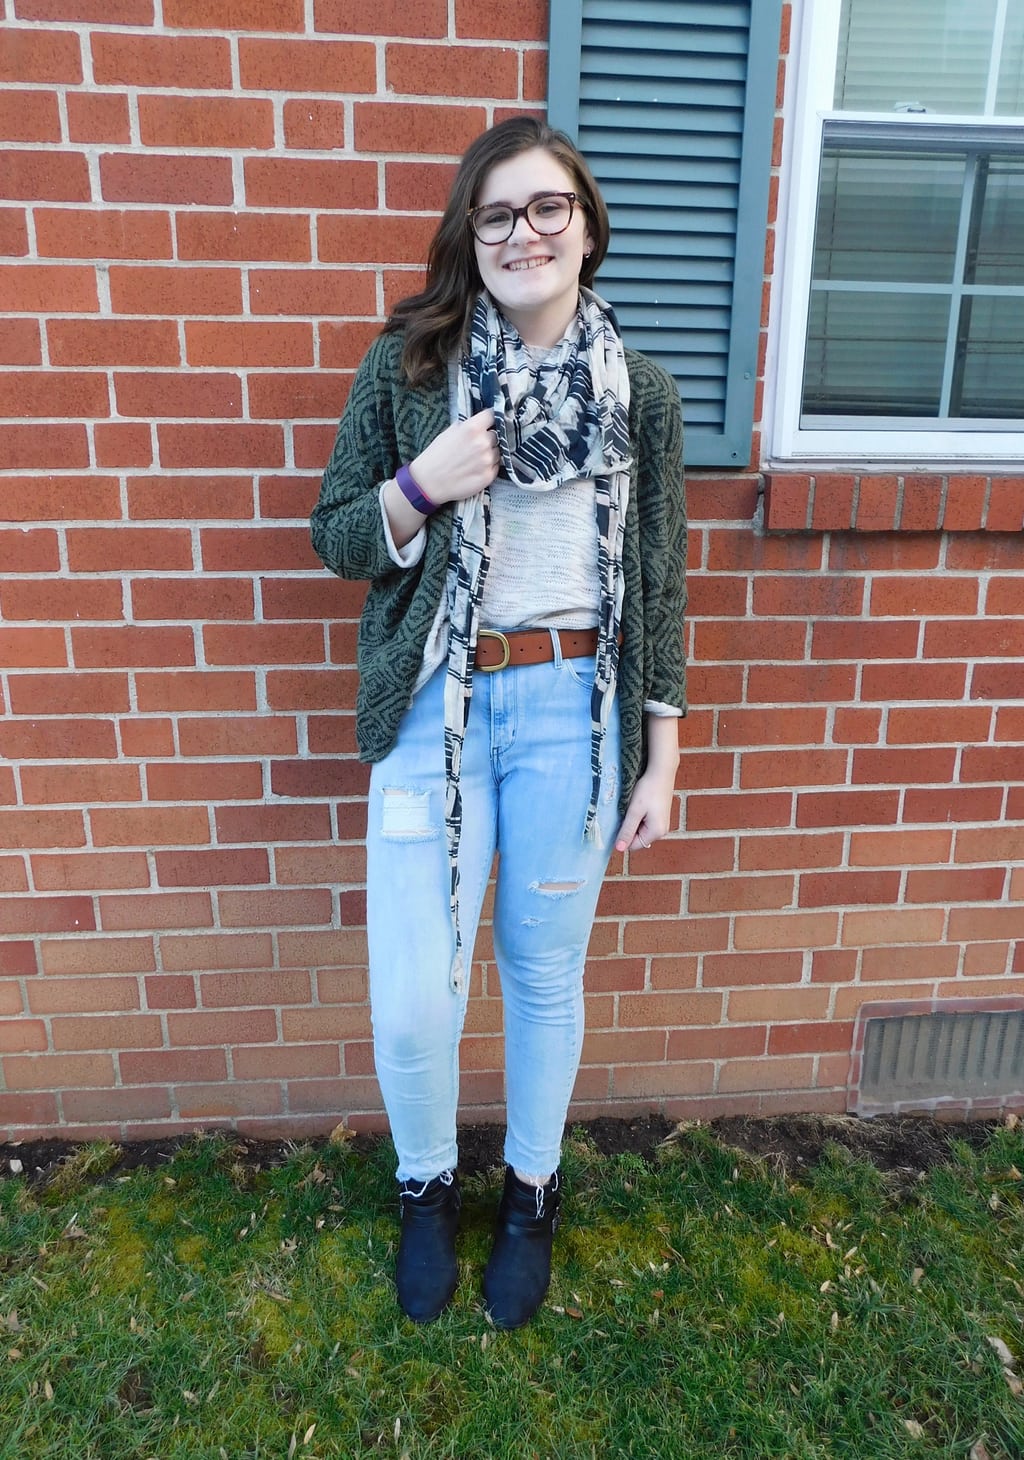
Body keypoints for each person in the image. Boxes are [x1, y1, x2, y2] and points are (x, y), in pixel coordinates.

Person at [310, 116, 687, 1329]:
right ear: (469, 238)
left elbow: (662, 583)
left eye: (546, 209)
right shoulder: (410, 373)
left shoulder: (645, 394)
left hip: (572, 713)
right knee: (416, 990)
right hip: (438, 702)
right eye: (497, 214)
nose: (523, 233)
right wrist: (425, 484)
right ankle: (426, 1186)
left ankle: (531, 1189)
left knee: (542, 974)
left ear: (585, 225)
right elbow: (336, 534)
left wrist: (658, 753)